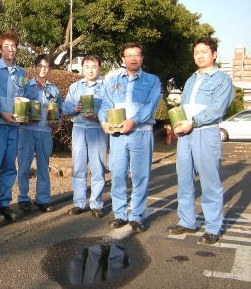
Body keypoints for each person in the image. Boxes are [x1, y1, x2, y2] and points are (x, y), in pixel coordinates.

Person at [169, 37, 234, 244]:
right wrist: (177, 123)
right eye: (196, 52)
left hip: (205, 132)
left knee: (209, 181)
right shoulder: (191, 79)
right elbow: (185, 108)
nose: (199, 55)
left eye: (204, 51)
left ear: (214, 54)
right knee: (184, 179)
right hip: (185, 135)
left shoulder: (222, 79)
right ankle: (187, 220)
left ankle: (213, 227)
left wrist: (193, 122)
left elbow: (217, 109)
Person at [98, 42, 161, 233]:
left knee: (140, 176)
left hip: (141, 133)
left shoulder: (152, 81)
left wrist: (133, 121)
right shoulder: (113, 81)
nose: (133, 58)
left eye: (137, 55)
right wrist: (103, 121)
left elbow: (151, 106)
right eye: (129, 55)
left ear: (142, 58)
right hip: (117, 135)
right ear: (123, 59)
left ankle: (136, 215)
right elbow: (104, 105)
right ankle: (120, 214)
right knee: (117, 174)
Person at [0, 31, 27, 223]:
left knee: (10, 166)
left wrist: (25, 113)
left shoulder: (22, 73)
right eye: (7, 46)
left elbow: (23, 97)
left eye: (14, 46)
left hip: (14, 126)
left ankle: (5, 202)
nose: (11, 49)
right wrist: (2, 112)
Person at [64, 55, 108, 218]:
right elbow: (66, 107)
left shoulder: (107, 87)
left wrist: (99, 116)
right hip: (79, 129)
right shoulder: (75, 86)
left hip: (98, 130)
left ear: (99, 68)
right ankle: (79, 203)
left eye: (94, 66)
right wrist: (75, 108)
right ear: (83, 68)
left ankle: (96, 203)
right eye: (87, 66)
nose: (90, 69)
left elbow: (111, 108)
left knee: (98, 168)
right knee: (79, 167)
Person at [17, 54, 62, 213]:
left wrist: (56, 123)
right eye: (40, 66)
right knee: (23, 166)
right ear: (35, 67)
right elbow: (18, 109)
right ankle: (23, 198)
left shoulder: (54, 90)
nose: (43, 69)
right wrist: (23, 119)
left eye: (46, 66)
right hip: (27, 132)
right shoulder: (26, 87)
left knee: (43, 167)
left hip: (45, 132)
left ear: (49, 69)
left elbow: (59, 112)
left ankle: (42, 199)